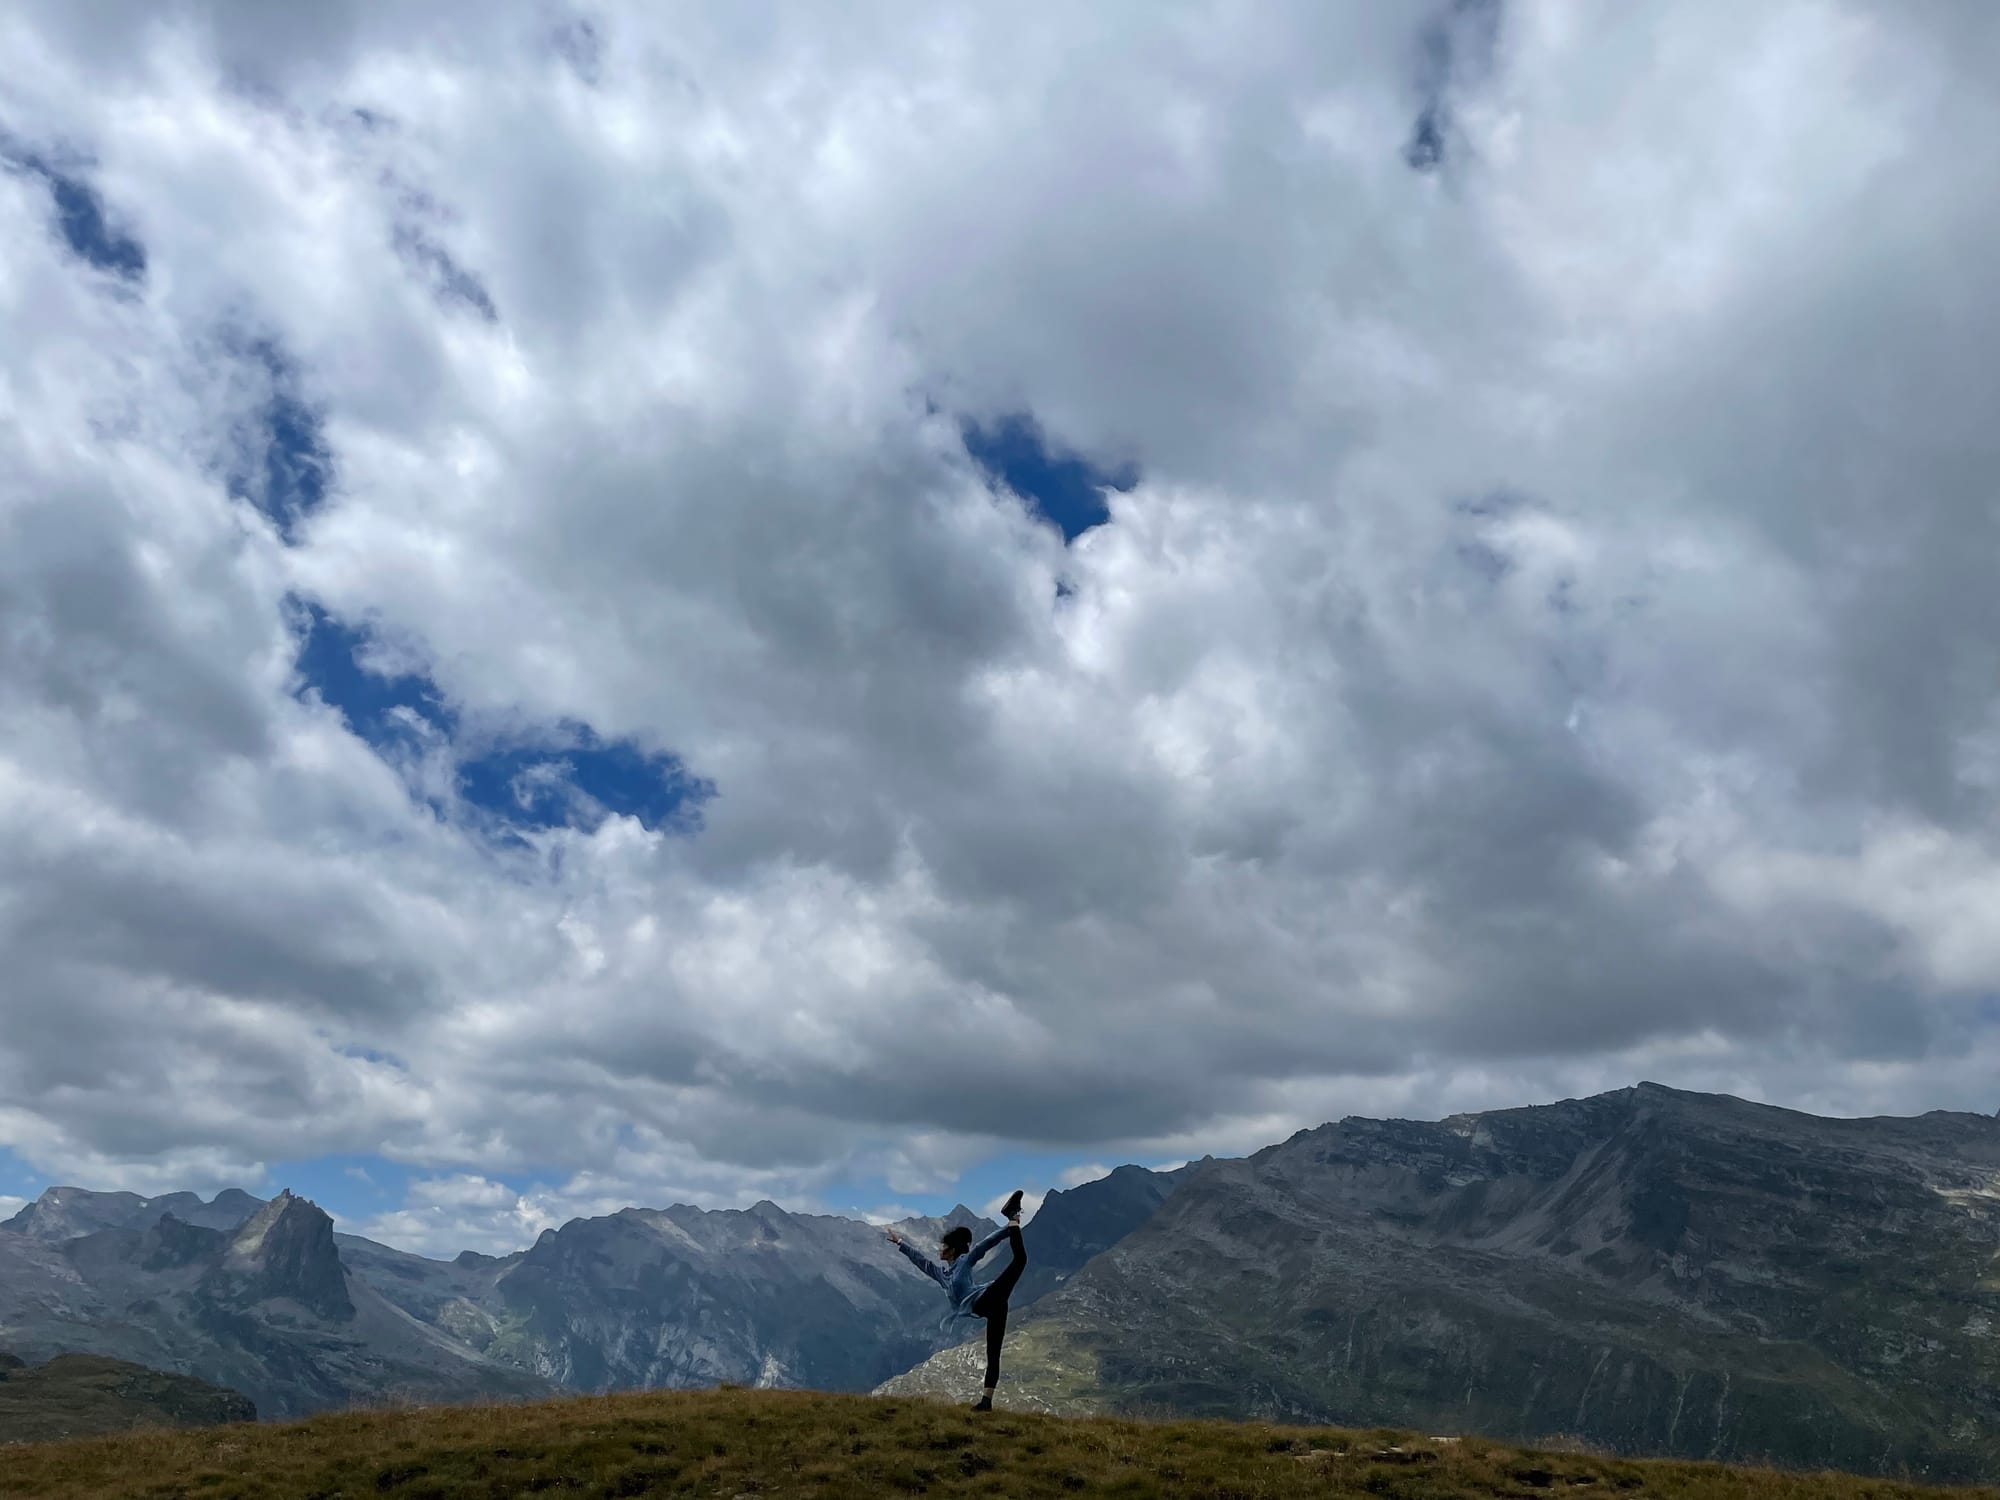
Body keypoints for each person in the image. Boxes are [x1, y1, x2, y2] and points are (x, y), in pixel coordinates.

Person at [887, 1189, 1027, 1412]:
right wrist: (900, 1243)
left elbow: (984, 1245)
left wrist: (1006, 1232)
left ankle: (1013, 1218)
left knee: (1020, 1260)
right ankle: (986, 1403)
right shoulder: (943, 1276)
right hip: (990, 1309)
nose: (939, 1249)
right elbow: (921, 1261)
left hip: (988, 1297)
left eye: (943, 1246)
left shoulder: (964, 1261)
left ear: (951, 1250)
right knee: (993, 1353)